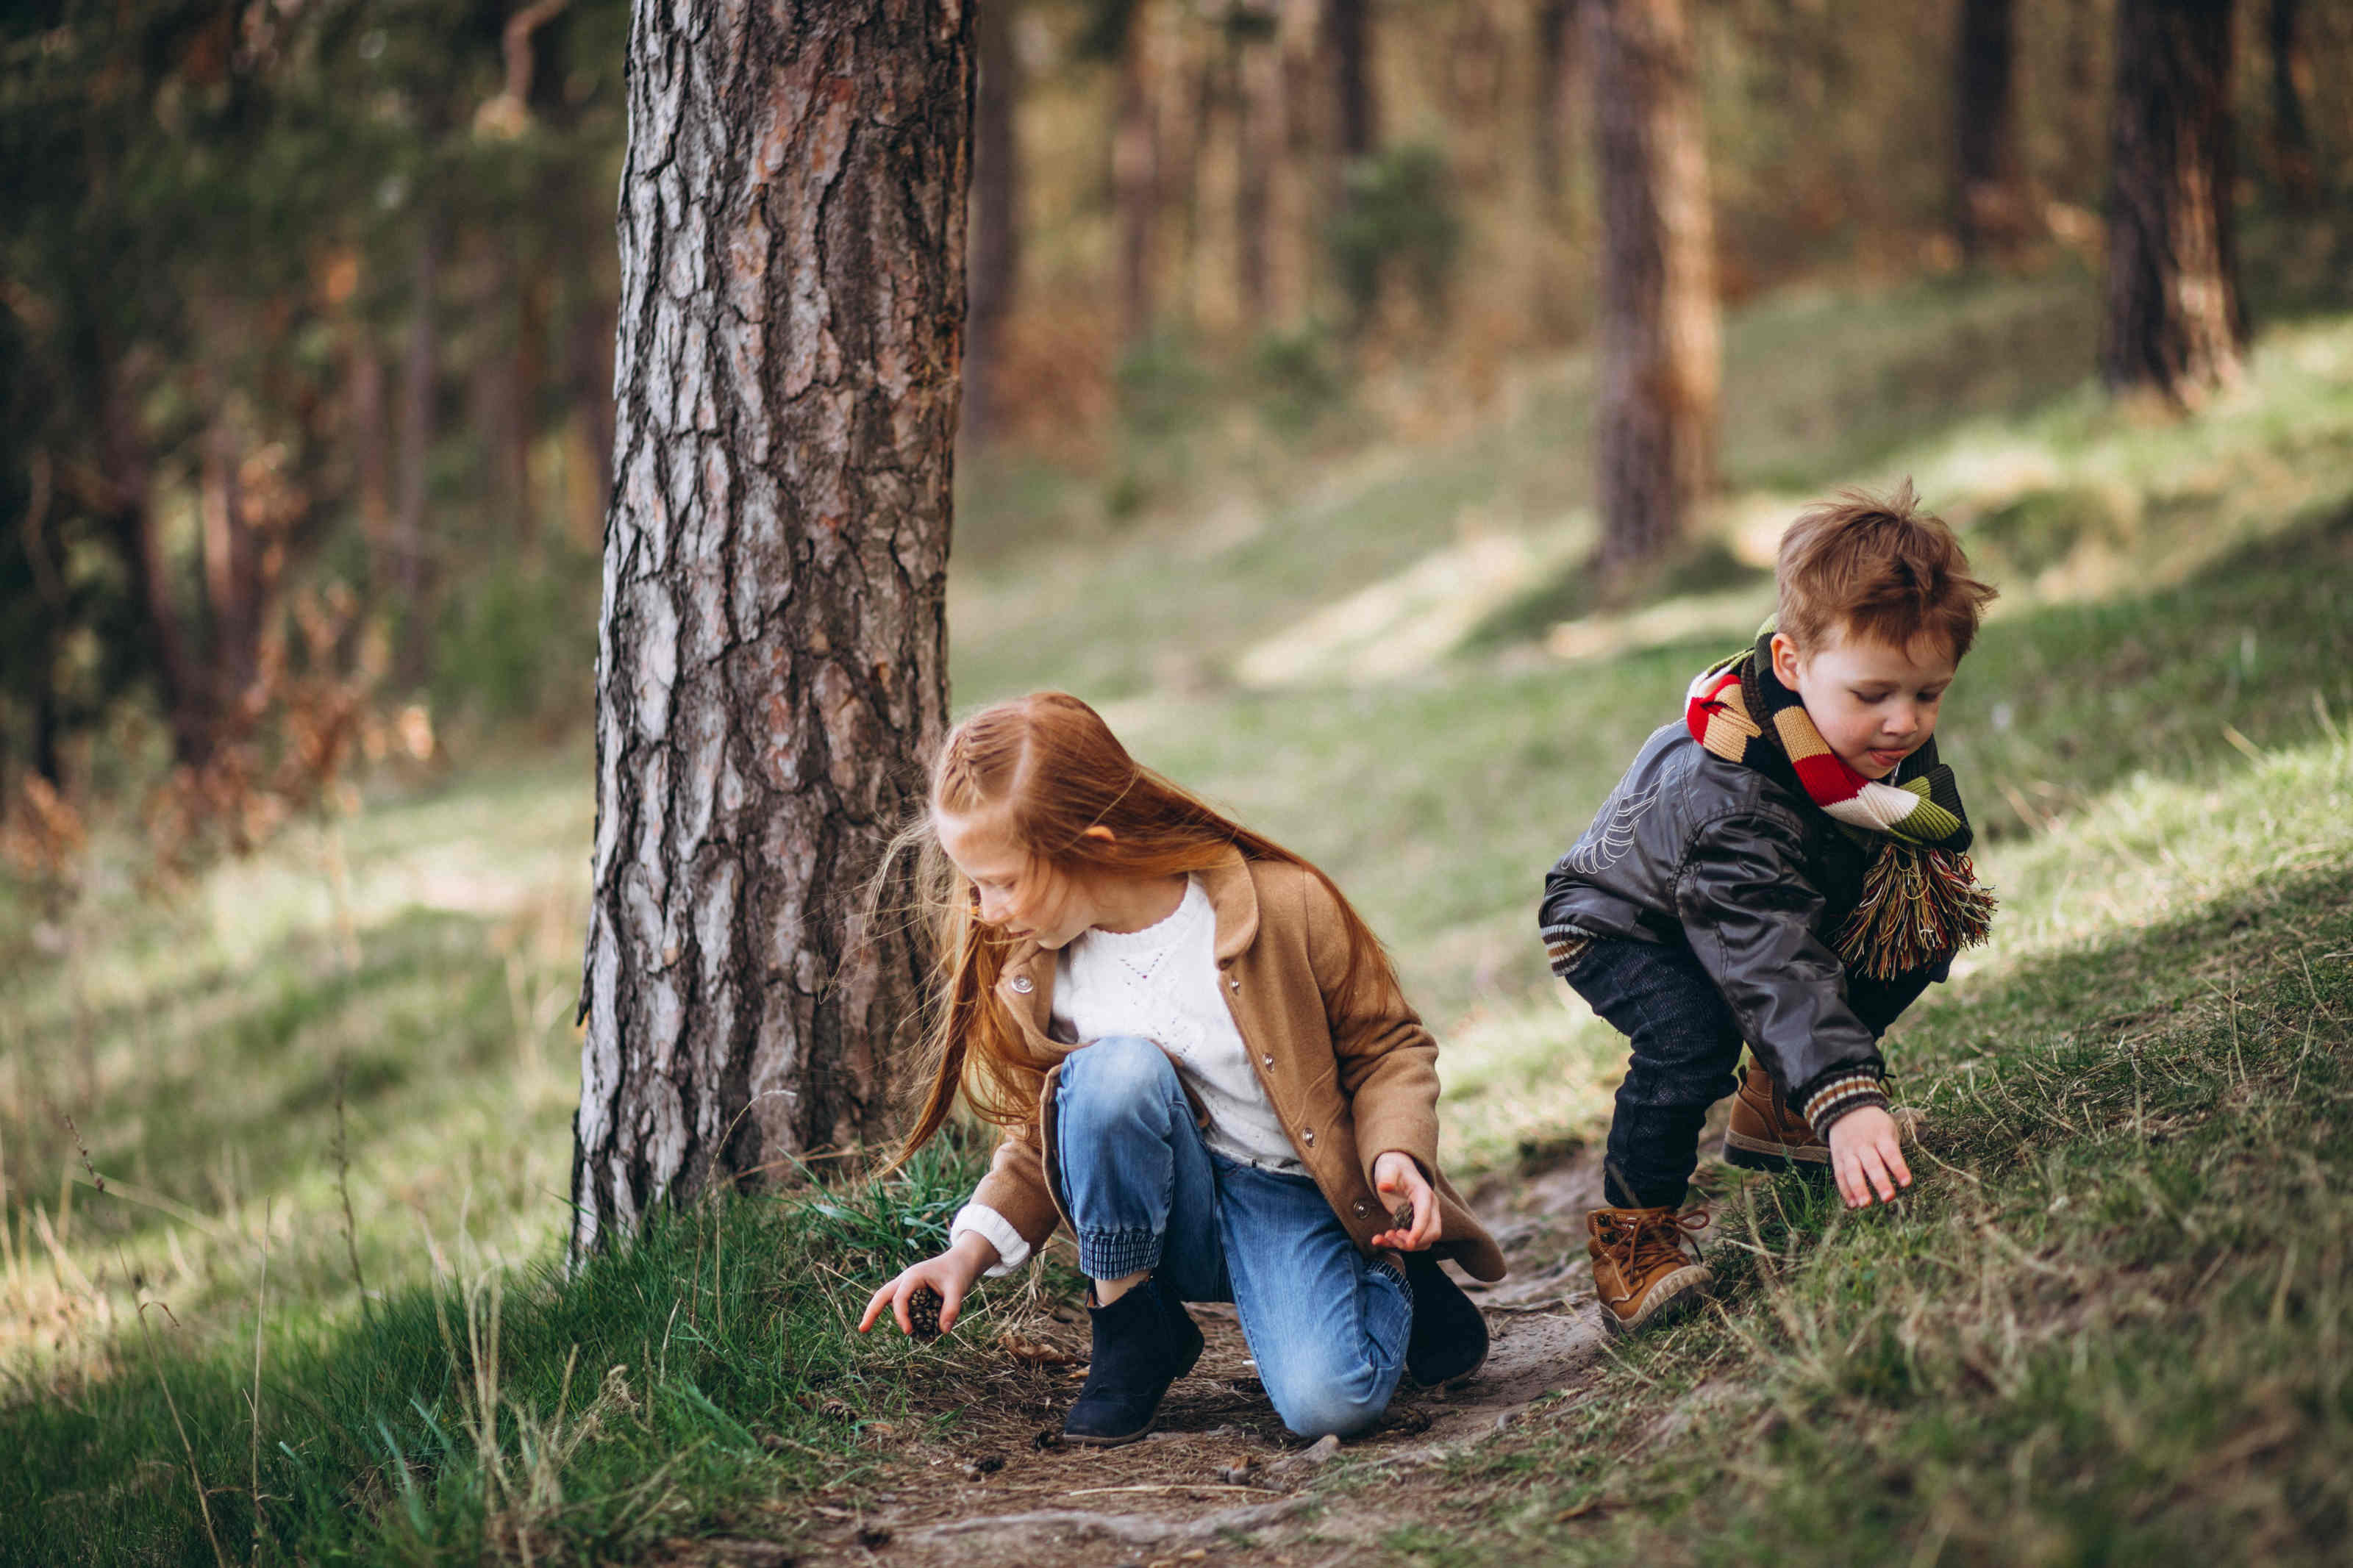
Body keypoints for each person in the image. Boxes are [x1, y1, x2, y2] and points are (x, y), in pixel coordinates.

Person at [858, 691, 1504, 1446]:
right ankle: (1133, 1327)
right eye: (975, 884)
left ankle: (1390, 1277)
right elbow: (1044, 1135)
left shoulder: (1278, 906)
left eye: (1002, 881)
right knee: (1110, 1076)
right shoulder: (1037, 966)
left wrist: (1394, 1153)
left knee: (1331, 1406)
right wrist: (964, 1254)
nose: (985, 910)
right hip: (1171, 1216)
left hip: (1295, 1196)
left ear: (1092, 843)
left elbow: (1387, 1046)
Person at [1538, 482, 1999, 1333]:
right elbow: (1767, 959)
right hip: (1620, 920)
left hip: (1743, 905)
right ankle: (1634, 1241)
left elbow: (1803, 923)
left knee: (1917, 918)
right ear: (1790, 663)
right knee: (1690, 1039)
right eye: (1873, 695)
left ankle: (1781, 1109)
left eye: (1927, 694)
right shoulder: (1735, 794)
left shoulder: (1861, 744)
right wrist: (1847, 1091)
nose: (1903, 722)